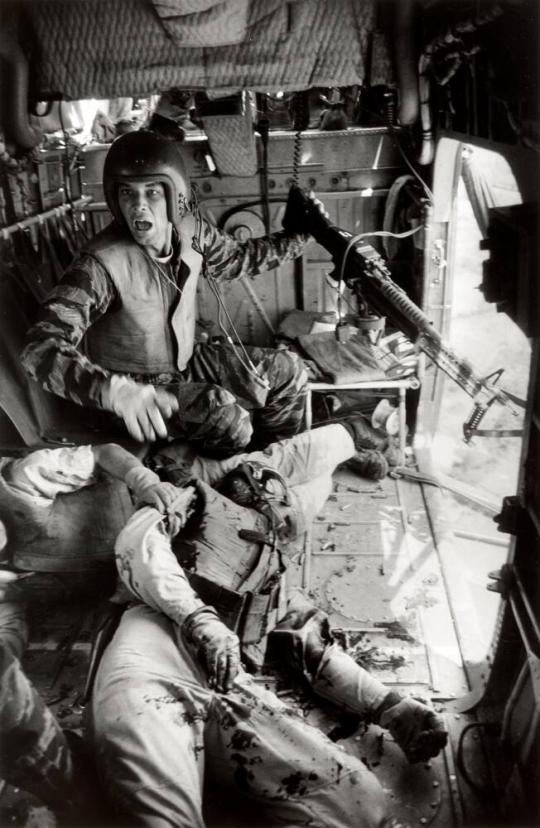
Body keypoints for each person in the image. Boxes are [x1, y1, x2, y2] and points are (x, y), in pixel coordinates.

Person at [87, 421, 447, 828]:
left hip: (227, 684)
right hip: (153, 655)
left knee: (362, 803)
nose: (264, 488)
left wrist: (390, 707)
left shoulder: (272, 578)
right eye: (255, 479)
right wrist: (200, 619)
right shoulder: (187, 501)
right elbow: (137, 547)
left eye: (278, 492)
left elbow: (312, 647)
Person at [21, 129, 317, 455]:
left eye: (152, 193)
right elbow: (40, 347)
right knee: (227, 418)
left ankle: (276, 464)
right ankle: (215, 473)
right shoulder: (101, 263)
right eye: (127, 194)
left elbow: (238, 259)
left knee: (288, 372)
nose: (139, 207)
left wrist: (302, 234)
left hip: (185, 364)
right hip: (134, 394)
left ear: (175, 196)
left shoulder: (192, 231)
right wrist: (114, 391)